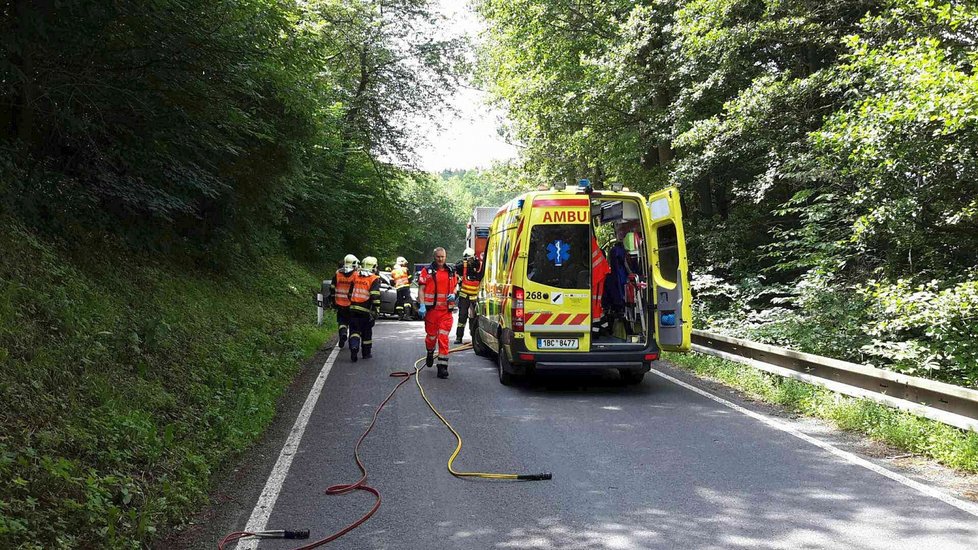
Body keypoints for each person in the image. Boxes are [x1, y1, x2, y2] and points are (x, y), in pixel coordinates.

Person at [417, 247, 458, 379]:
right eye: (438, 257)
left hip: (446, 312)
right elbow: (421, 289)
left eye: (443, 257)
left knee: (443, 338)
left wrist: (454, 294)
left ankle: (442, 367)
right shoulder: (427, 272)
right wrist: (422, 305)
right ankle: (430, 352)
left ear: (445, 257)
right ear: (434, 257)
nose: (441, 259)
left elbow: (456, 285)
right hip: (432, 312)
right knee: (431, 338)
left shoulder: (451, 271)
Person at [348, 256, 381, 362]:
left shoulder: (356, 276)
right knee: (366, 332)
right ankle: (366, 353)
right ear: (374, 266)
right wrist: (376, 309)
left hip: (353, 309)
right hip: (366, 311)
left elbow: (350, 293)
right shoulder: (374, 278)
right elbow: (375, 295)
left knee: (354, 331)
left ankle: (354, 347)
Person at [453, 248, 483, 344]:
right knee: (462, 316)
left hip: (475, 296)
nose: (468, 261)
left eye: (469, 258)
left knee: (475, 318)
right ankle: (459, 337)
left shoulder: (479, 265)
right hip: (464, 295)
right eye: (466, 258)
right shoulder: (462, 265)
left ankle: (475, 338)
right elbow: (454, 269)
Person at [331, 254, 359, 348]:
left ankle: (342, 334)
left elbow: (332, 287)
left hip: (339, 302)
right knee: (352, 323)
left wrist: (332, 299)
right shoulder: (356, 275)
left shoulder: (338, 273)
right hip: (351, 303)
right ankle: (353, 343)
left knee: (342, 321)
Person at [390, 256, 412, 321]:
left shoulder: (393, 271)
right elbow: (410, 278)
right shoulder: (405, 269)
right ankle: (407, 316)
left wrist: (396, 285)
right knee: (407, 301)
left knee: (399, 302)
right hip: (406, 287)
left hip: (398, 288)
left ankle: (400, 316)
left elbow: (391, 282)